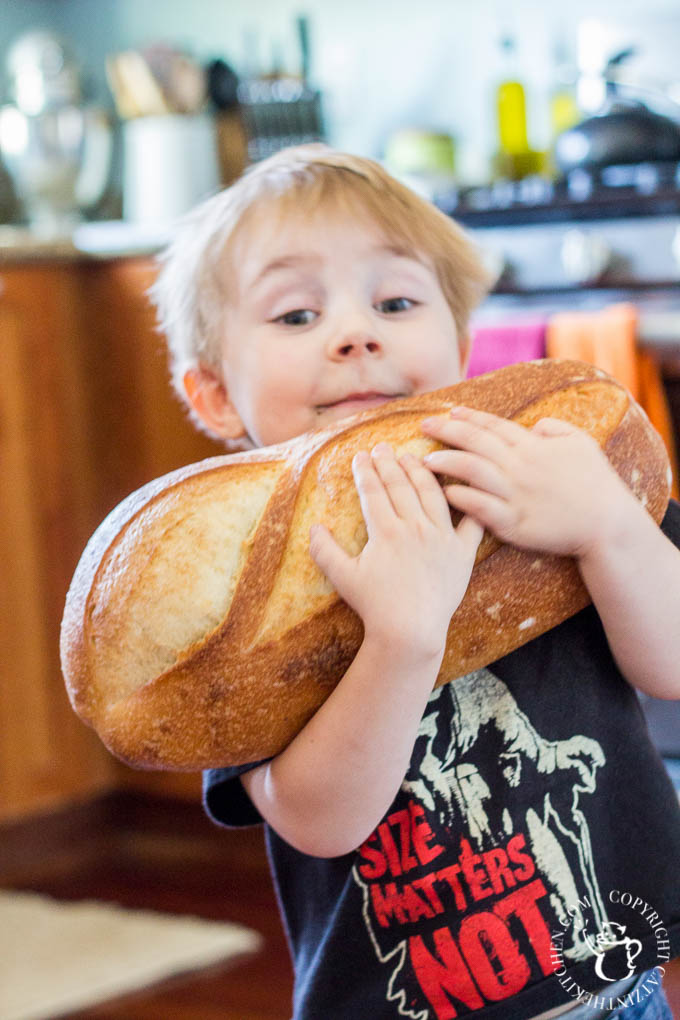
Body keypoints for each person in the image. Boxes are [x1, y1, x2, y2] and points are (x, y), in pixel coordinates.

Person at [150, 144, 680, 1020]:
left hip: (614, 989)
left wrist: (610, 526)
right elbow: (321, 821)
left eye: (396, 302)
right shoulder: (232, 593)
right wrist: (399, 639)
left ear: (463, 346)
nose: (357, 333)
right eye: (295, 316)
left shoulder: (546, 477)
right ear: (213, 395)